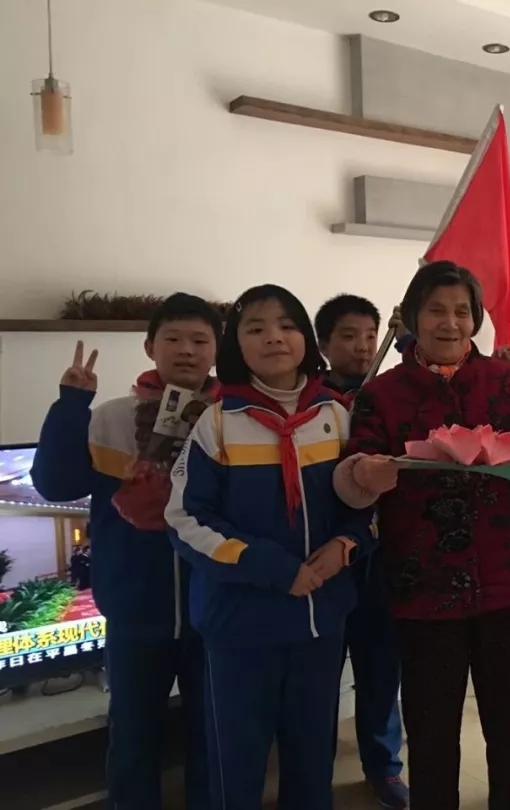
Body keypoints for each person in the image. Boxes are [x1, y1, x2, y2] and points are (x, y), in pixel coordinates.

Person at [333, 260, 510, 810]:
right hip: (423, 588)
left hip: (509, 584)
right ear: (413, 317)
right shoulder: (384, 394)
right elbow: (353, 467)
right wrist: (363, 474)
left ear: (476, 319)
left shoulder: (507, 382)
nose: (450, 323)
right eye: (436, 310)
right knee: (431, 731)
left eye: (462, 311)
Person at [166, 285, 374, 810]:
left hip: (319, 622)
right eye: (255, 328)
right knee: (236, 761)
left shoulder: (337, 415)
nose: (274, 338)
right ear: (236, 344)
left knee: (313, 754)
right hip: (240, 624)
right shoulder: (217, 422)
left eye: (286, 325)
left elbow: (369, 503)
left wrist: (346, 545)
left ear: (306, 337)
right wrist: (272, 568)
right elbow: (185, 518)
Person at [31, 293, 221, 810]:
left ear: (216, 351)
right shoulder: (111, 419)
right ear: (150, 347)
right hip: (134, 612)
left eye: (200, 340)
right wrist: (72, 404)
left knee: (213, 734)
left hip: (216, 611)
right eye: (173, 338)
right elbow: (55, 483)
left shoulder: (231, 420)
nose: (187, 350)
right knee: (134, 736)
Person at [314, 294, 409, 809]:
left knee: (380, 666)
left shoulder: (388, 394)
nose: (362, 346)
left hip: (381, 552)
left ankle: (384, 765)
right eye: (348, 336)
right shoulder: (309, 401)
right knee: (320, 673)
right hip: (326, 553)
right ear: (324, 345)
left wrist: (407, 339)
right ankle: (313, 766)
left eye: (371, 336)